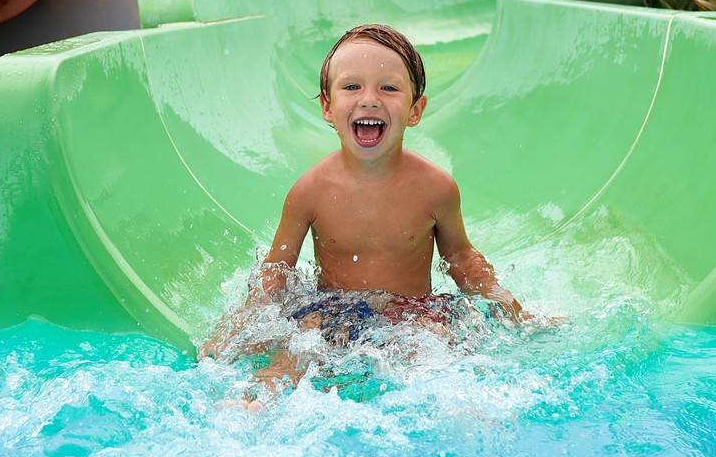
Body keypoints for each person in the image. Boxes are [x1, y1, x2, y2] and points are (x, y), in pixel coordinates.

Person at [201, 24, 524, 394]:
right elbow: (276, 272)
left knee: (440, 340)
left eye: (388, 88)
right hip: (333, 312)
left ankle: (461, 403)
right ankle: (260, 396)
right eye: (352, 87)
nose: (369, 99)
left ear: (416, 109)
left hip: (411, 314)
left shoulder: (436, 189)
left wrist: (504, 302)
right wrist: (241, 322)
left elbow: (462, 259)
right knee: (299, 344)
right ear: (327, 106)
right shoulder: (309, 191)